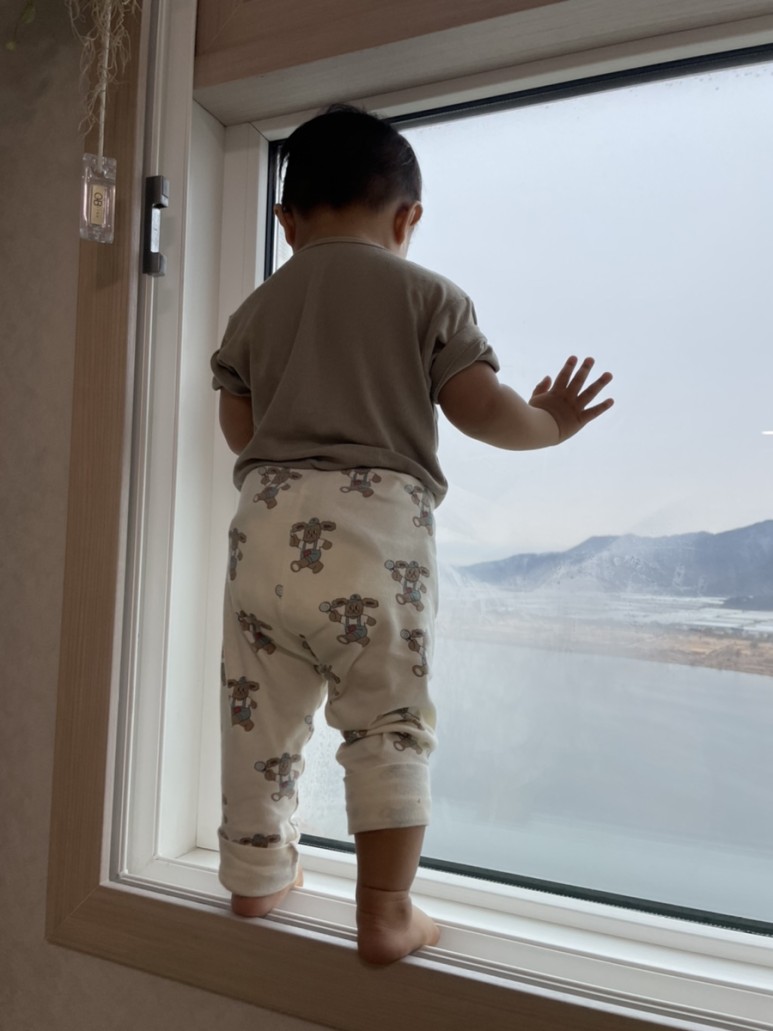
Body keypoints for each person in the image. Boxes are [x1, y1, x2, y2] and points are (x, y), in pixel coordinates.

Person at [210, 104, 614, 965]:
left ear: (285, 223)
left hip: (263, 529)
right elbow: (480, 409)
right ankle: (386, 908)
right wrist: (549, 424)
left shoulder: (255, 308)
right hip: (372, 535)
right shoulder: (428, 294)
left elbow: (239, 427)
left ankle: (254, 877)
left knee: (256, 712)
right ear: (407, 218)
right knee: (387, 718)